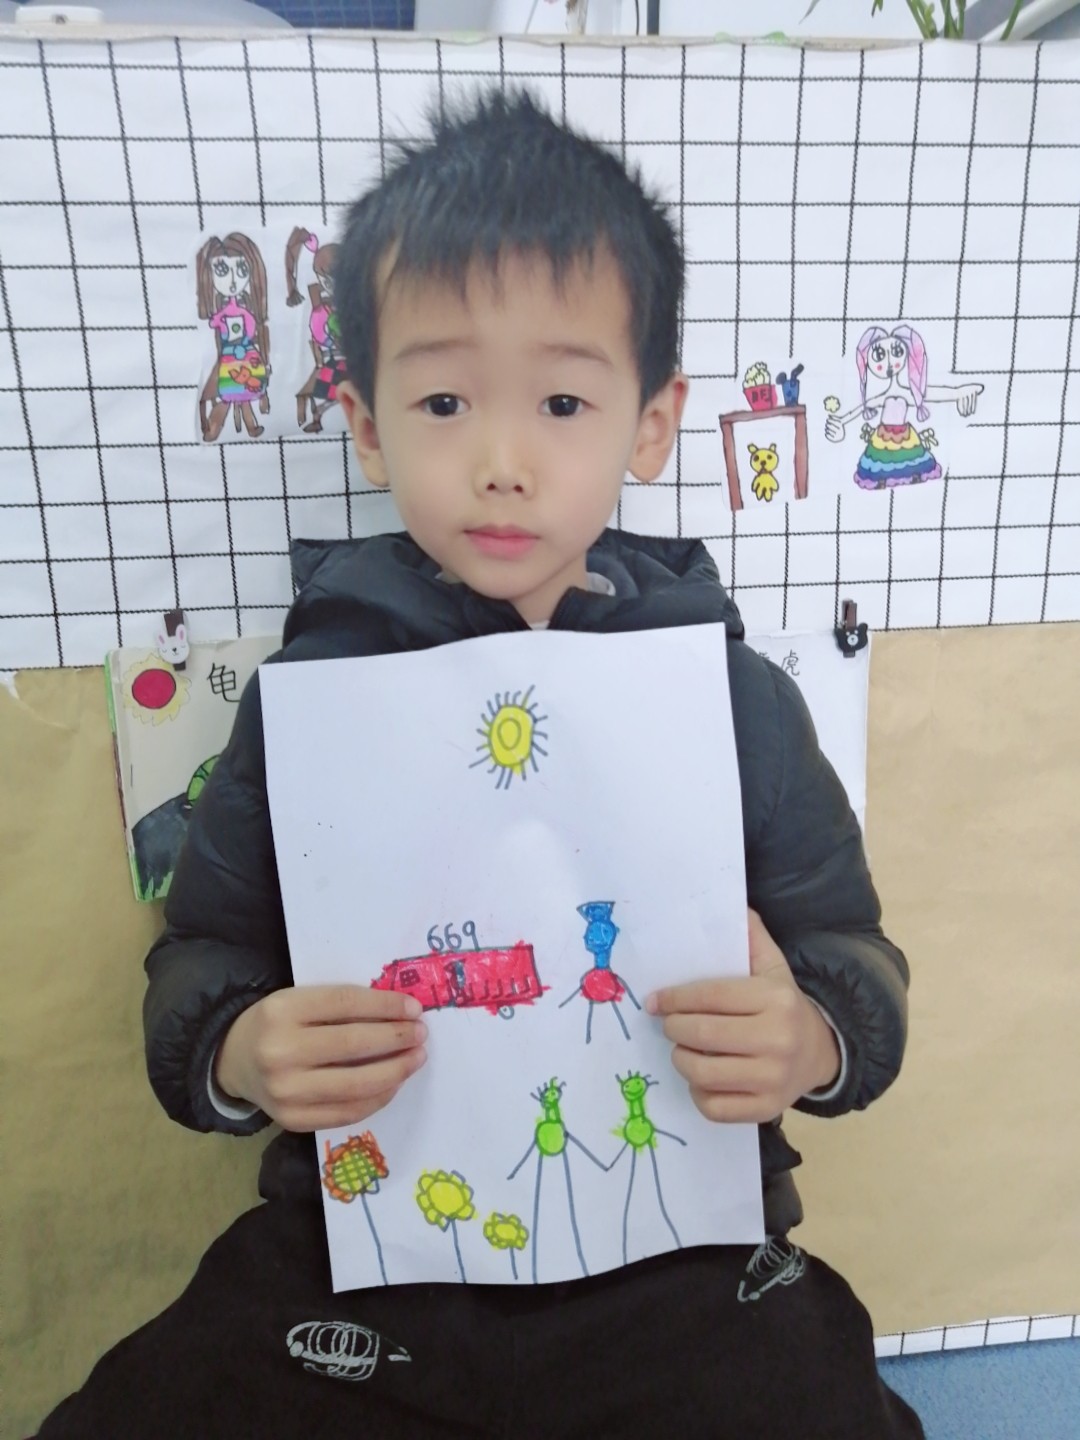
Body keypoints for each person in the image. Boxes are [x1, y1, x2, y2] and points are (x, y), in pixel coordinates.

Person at [36, 91, 922, 1439]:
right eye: (445, 400)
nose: (502, 463)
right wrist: (240, 1054)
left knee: (820, 1403)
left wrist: (813, 1038)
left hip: (681, 1256)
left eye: (562, 400)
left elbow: (857, 954)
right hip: (366, 1256)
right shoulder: (314, 698)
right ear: (368, 424)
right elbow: (201, 954)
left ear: (650, 424)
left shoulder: (728, 698)